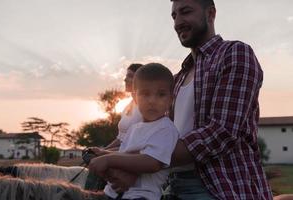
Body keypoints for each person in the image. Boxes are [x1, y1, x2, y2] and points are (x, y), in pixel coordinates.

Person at [161, 0, 273, 199]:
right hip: (173, 185)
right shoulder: (177, 78)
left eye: (185, 12)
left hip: (220, 187)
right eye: (174, 16)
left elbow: (221, 131)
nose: (178, 22)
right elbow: (161, 132)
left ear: (211, 13)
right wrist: (116, 154)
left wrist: (148, 157)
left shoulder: (235, 53)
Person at [88, 63, 179, 200]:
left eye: (161, 94)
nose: (152, 101)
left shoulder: (166, 129)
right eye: (145, 94)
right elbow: (125, 154)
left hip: (142, 195)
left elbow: (152, 162)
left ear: (171, 100)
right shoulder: (134, 128)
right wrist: (103, 153)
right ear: (135, 98)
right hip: (116, 192)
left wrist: (108, 159)